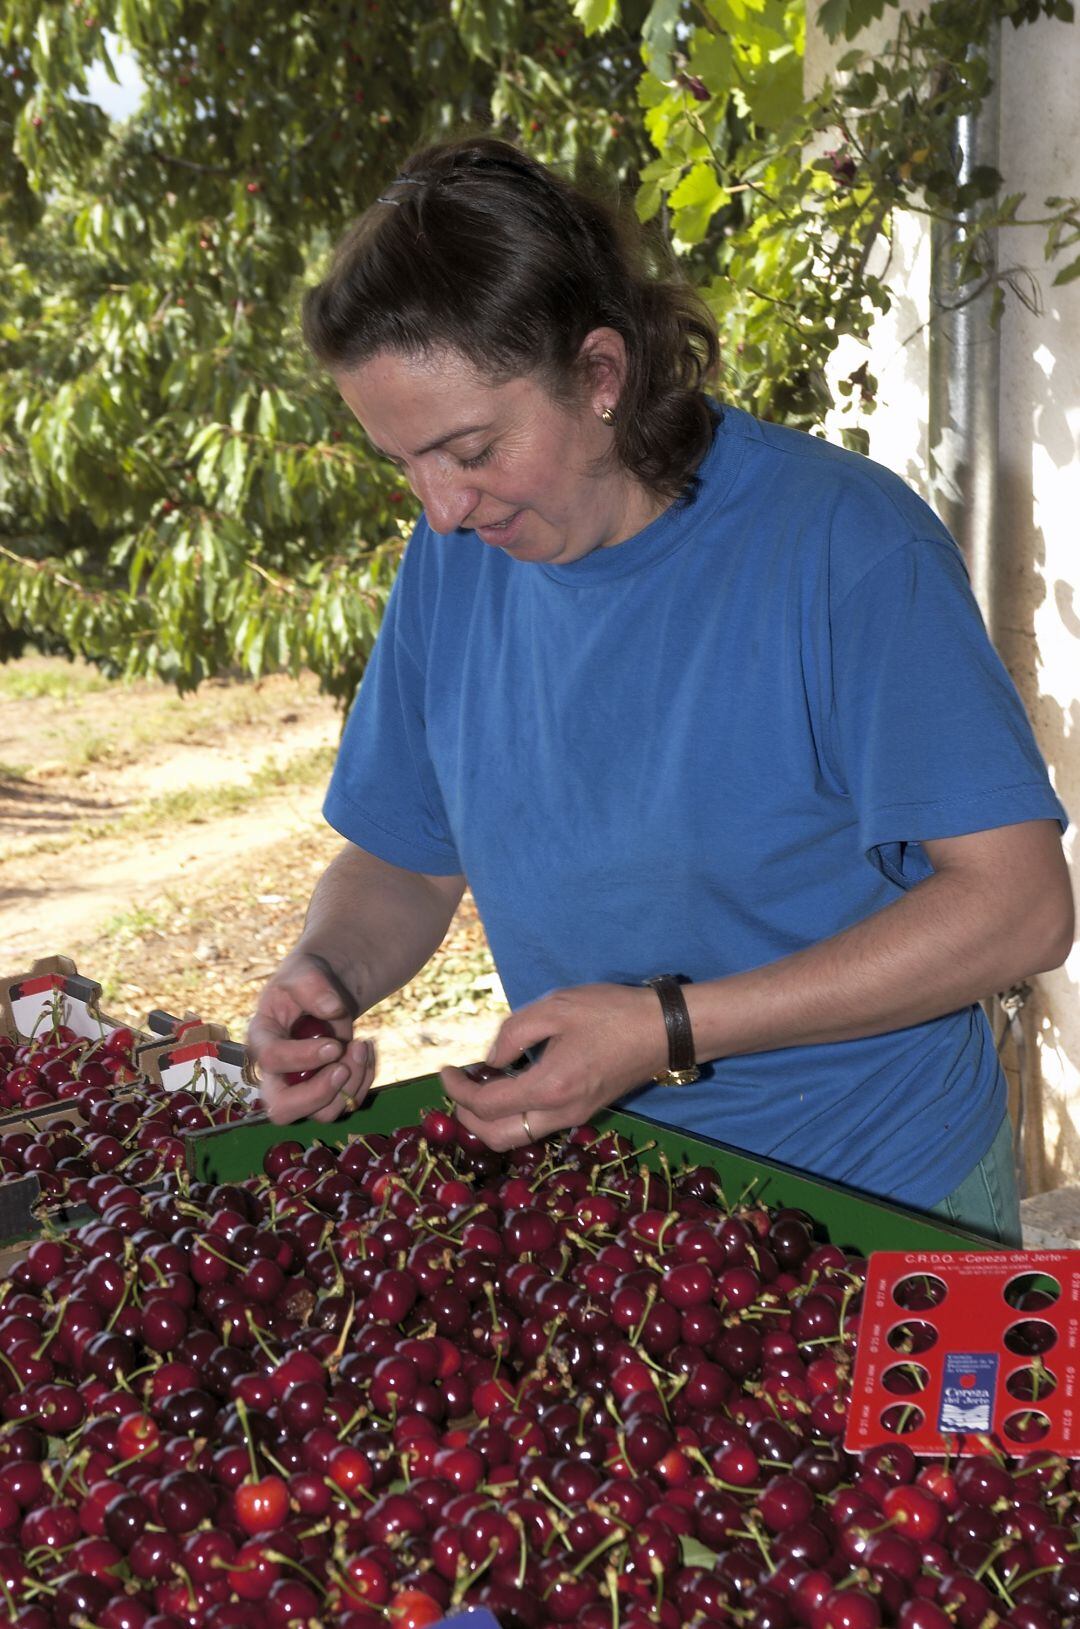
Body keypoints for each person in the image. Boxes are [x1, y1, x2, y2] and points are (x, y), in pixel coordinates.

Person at [247, 135, 1073, 1244]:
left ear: (600, 374)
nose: (440, 507)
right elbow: (406, 855)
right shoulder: (456, 560)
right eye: (406, 464)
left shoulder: (841, 543)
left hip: (872, 1200)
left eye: (472, 449)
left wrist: (671, 1027)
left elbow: (1019, 908)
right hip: (621, 1198)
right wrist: (326, 973)